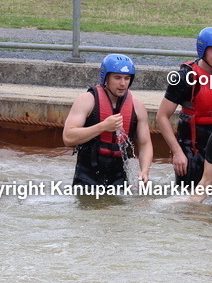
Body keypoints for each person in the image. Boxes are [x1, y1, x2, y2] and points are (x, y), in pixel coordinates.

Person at [156, 27, 212, 186]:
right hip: (193, 151)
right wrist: (177, 152)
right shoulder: (185, 77)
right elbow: (161, 117)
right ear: (203, 51)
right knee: (189, 197)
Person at [63, 54, 152, 187]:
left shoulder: (137, 106)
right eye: (117, 78)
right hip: (87, 176)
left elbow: (145, 144)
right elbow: (68, 138)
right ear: (106, 78)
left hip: (119, 178)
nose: (123, 83)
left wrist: (145, 171)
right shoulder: (87, 100)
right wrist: (102, 126)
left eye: (127, 78)